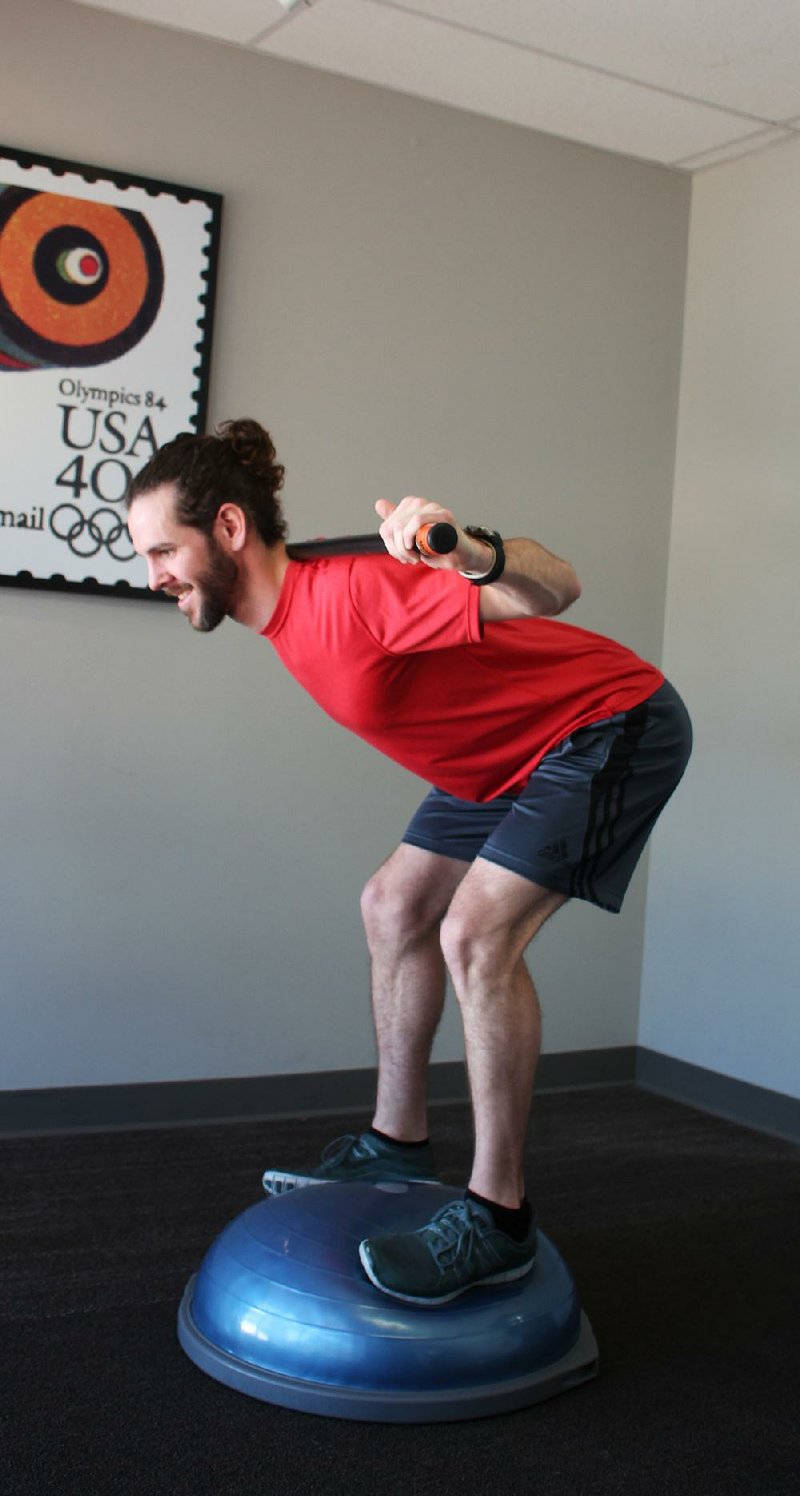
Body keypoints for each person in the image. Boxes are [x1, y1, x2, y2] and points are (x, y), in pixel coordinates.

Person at [126, 418, 692, 1307]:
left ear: (228, 529)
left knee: (475, 934)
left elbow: (558, 587)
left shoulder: (352, 592)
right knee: (392, 905)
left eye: (163, 550)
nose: (153, 575)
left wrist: (466, 548)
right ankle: (396, 1142)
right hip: (502, 758)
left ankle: (498, 1217)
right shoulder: (289, 605)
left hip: (604, 725)